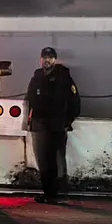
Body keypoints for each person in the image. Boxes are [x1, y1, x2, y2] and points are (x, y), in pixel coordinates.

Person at [24, 47, 81, 203]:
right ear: (40, 59)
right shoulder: (37, 76)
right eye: (44, 57)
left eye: (50, 57)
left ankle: (59, 194)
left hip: (57, 126)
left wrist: (67, 122)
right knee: (43, 161)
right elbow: (30, 99)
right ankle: (48, 193)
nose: (47, 60)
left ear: (55, 60)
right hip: (40, 125)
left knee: (56, 160)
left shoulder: (63, 77)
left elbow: (75, 102)